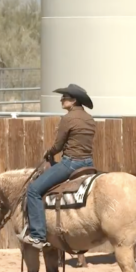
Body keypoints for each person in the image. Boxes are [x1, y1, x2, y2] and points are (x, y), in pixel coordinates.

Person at [22, 84, 96, 250]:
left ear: (74, 100)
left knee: (33, 190)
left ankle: (37, 236)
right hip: (88, 164)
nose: (61, 100)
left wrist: (49, 152)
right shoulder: (90, 119)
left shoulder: (67, 119)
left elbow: (59, 145)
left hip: (71, 163)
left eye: (65, 97)